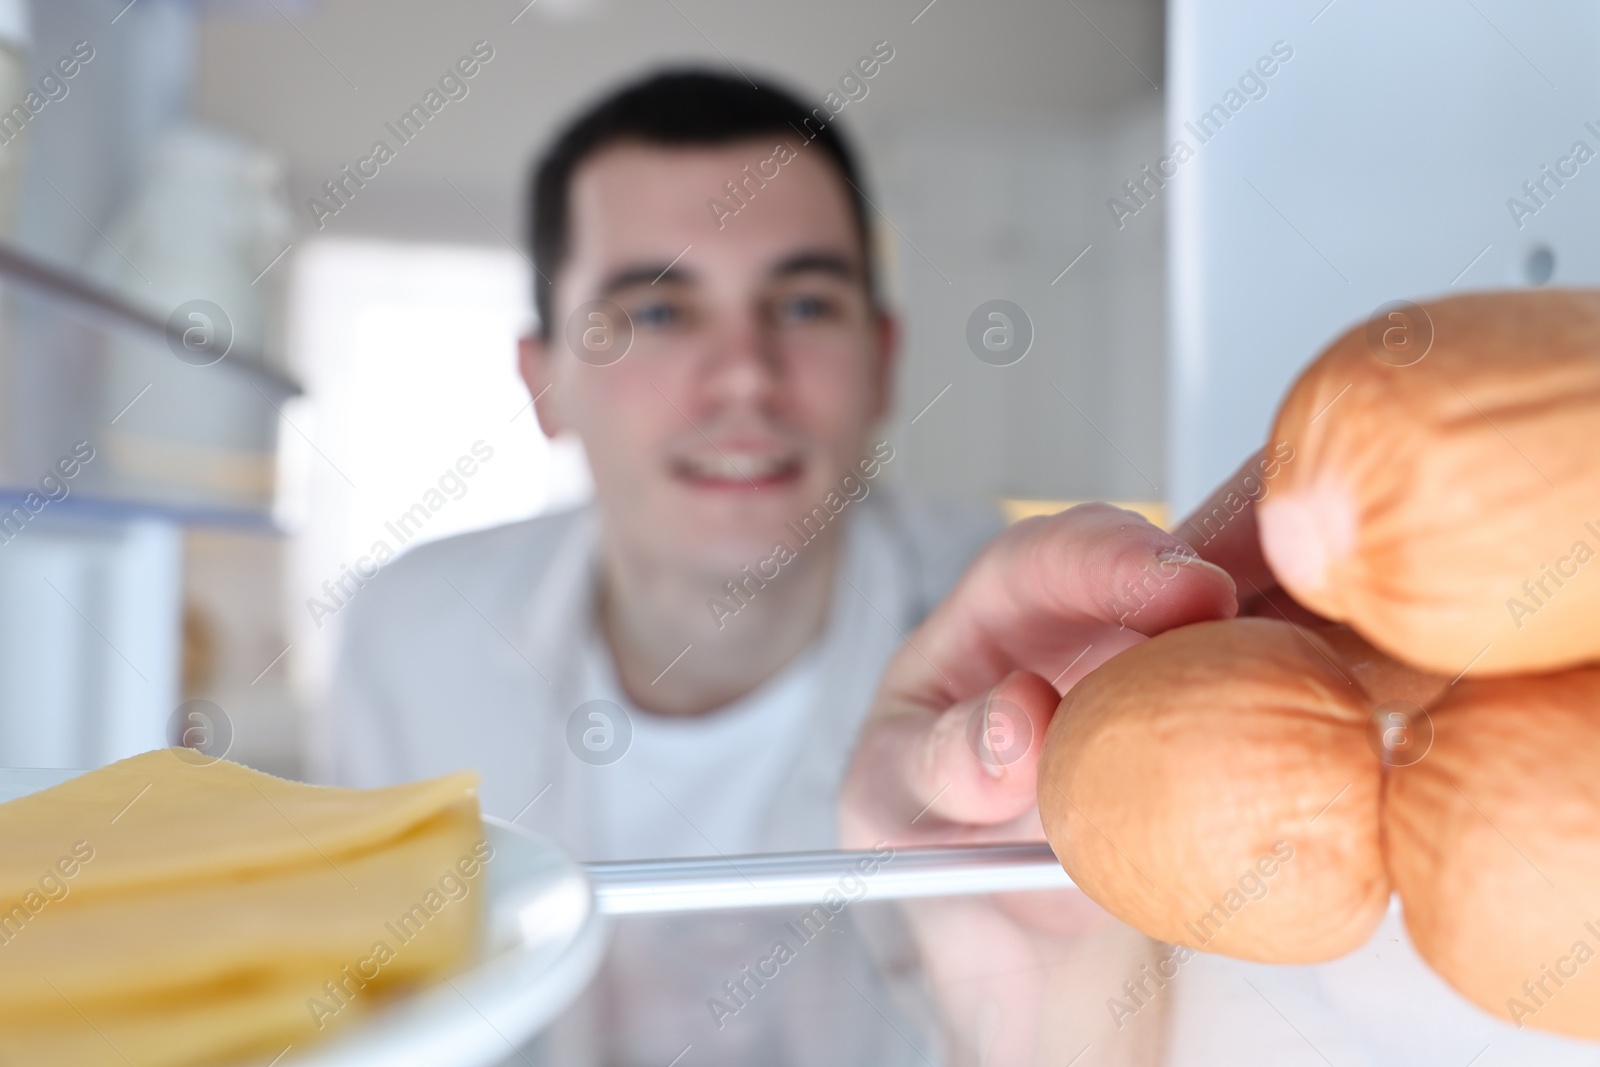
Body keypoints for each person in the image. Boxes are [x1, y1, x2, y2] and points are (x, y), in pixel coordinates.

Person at [325, 70, 1001, 1064]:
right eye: (655, 312)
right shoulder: (407, 639)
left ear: (883, 360)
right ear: (543, 380)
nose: (743, 373)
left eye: (805, 304)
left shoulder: (1014, 638)